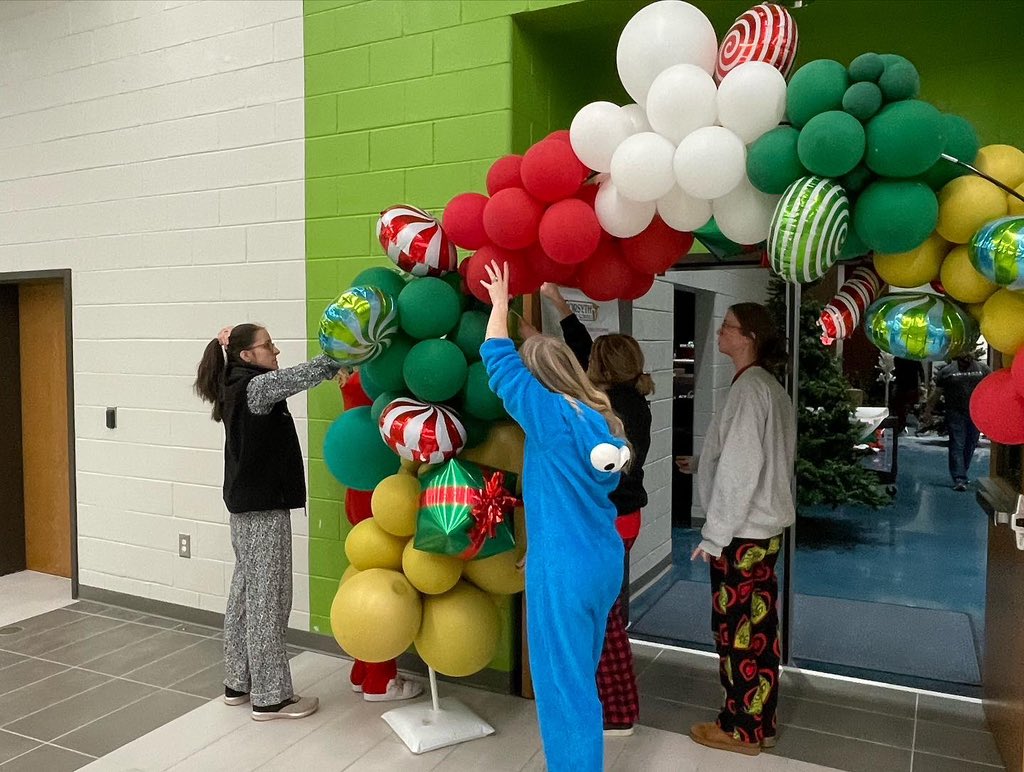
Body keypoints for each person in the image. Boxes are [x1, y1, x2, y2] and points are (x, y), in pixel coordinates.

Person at [478, 262, 629, 772]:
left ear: (539, 381)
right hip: (600, 565)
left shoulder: (550, 418)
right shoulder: (598, 418)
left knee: (564, 693)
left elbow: (497, 360)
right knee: (579, 677)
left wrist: (499, 302)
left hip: (564, 573)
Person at [524, 282, 652, 737]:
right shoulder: (630, 400)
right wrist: (551, 309)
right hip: (626, 518)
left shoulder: (602, 409)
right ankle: (617, 705)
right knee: (609, 616)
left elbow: (574, 361)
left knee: (608, 623)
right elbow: (580, 349)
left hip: (608, 522)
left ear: (600, 368)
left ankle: (618, 712)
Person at [194, 323, 341, 721]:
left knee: (245, 596)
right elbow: (297, 377)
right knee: (268, 600)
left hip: (246, 509)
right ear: (247, 355)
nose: (276, 351)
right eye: (268, 345)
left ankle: (238, 682)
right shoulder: (255, 388)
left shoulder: (235, 382)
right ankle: (271, 696)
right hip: (261, 512)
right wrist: (340, 357)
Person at [675, 304, 795, 756]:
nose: (720, 332)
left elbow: (742, 472)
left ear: (747, 337)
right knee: (760, 628)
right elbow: (753, 459)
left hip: (742, 535)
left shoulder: (749, 390)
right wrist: (704, 464)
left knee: (736, 632)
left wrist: (713, 535)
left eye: (726, 327)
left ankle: (740, 730)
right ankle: (761, 720)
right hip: (763, 533)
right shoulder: (767, 387)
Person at [923, 353, 990, 491]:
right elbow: (936, 394)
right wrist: (928, 411)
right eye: (964, 352)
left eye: (969, 352)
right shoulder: (947, 372)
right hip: (955, 413)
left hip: (976, 413)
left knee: (971, 443)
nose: (967, 355)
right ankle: (959, 478)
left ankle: (962, 472)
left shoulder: (983, 369)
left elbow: (990, 389)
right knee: (957, 444)